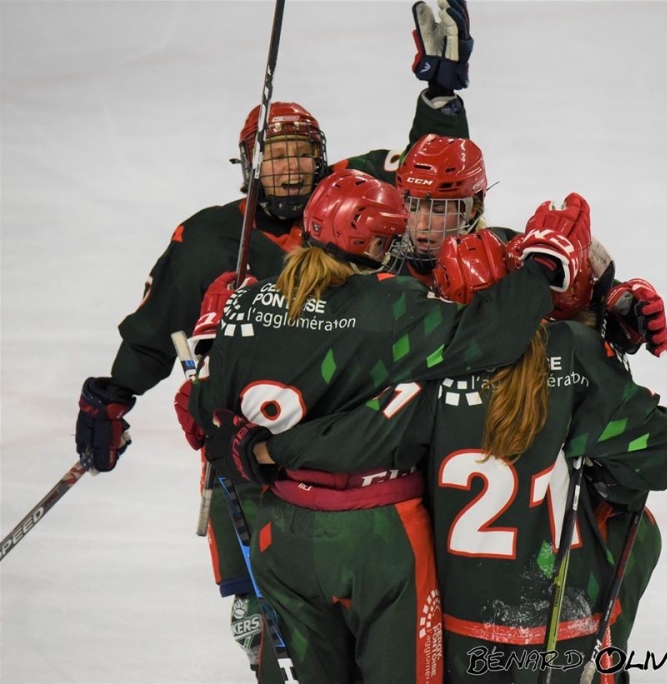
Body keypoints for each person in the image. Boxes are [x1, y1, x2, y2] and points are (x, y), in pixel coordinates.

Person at [73, 0, 475, 672]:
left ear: (324, 159)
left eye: (301, 155)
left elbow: (427, 173)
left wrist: (440, 96)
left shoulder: (354, 195)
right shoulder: (211, 239)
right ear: (247, 165)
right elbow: (155, 328)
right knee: (273, 628)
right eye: (275, 157)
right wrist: (113, 393)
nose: (289, 170)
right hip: (257, 459)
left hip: (355, 448)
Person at [249, 206, 667, 683]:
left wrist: (266, 450)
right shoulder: (573, 353)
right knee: (635, 525)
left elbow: (357, 439)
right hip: (561, 623)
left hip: (456, 629)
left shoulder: (426, 368)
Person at [177, 166, 593, 683]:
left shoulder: (243, 302)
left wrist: (212, 367)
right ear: (373, 243)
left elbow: (206, 419)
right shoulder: (391, 304)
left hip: (280, 533)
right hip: (376, 536)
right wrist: (542, 270)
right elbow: (494, 334)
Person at [393, 133, 667, 358]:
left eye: (439, 210)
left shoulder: (508, 254)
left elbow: (578, 304)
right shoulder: (378, 262)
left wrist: (623, 310)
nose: (422, 224)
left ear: (472, 209)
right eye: (413, 206)